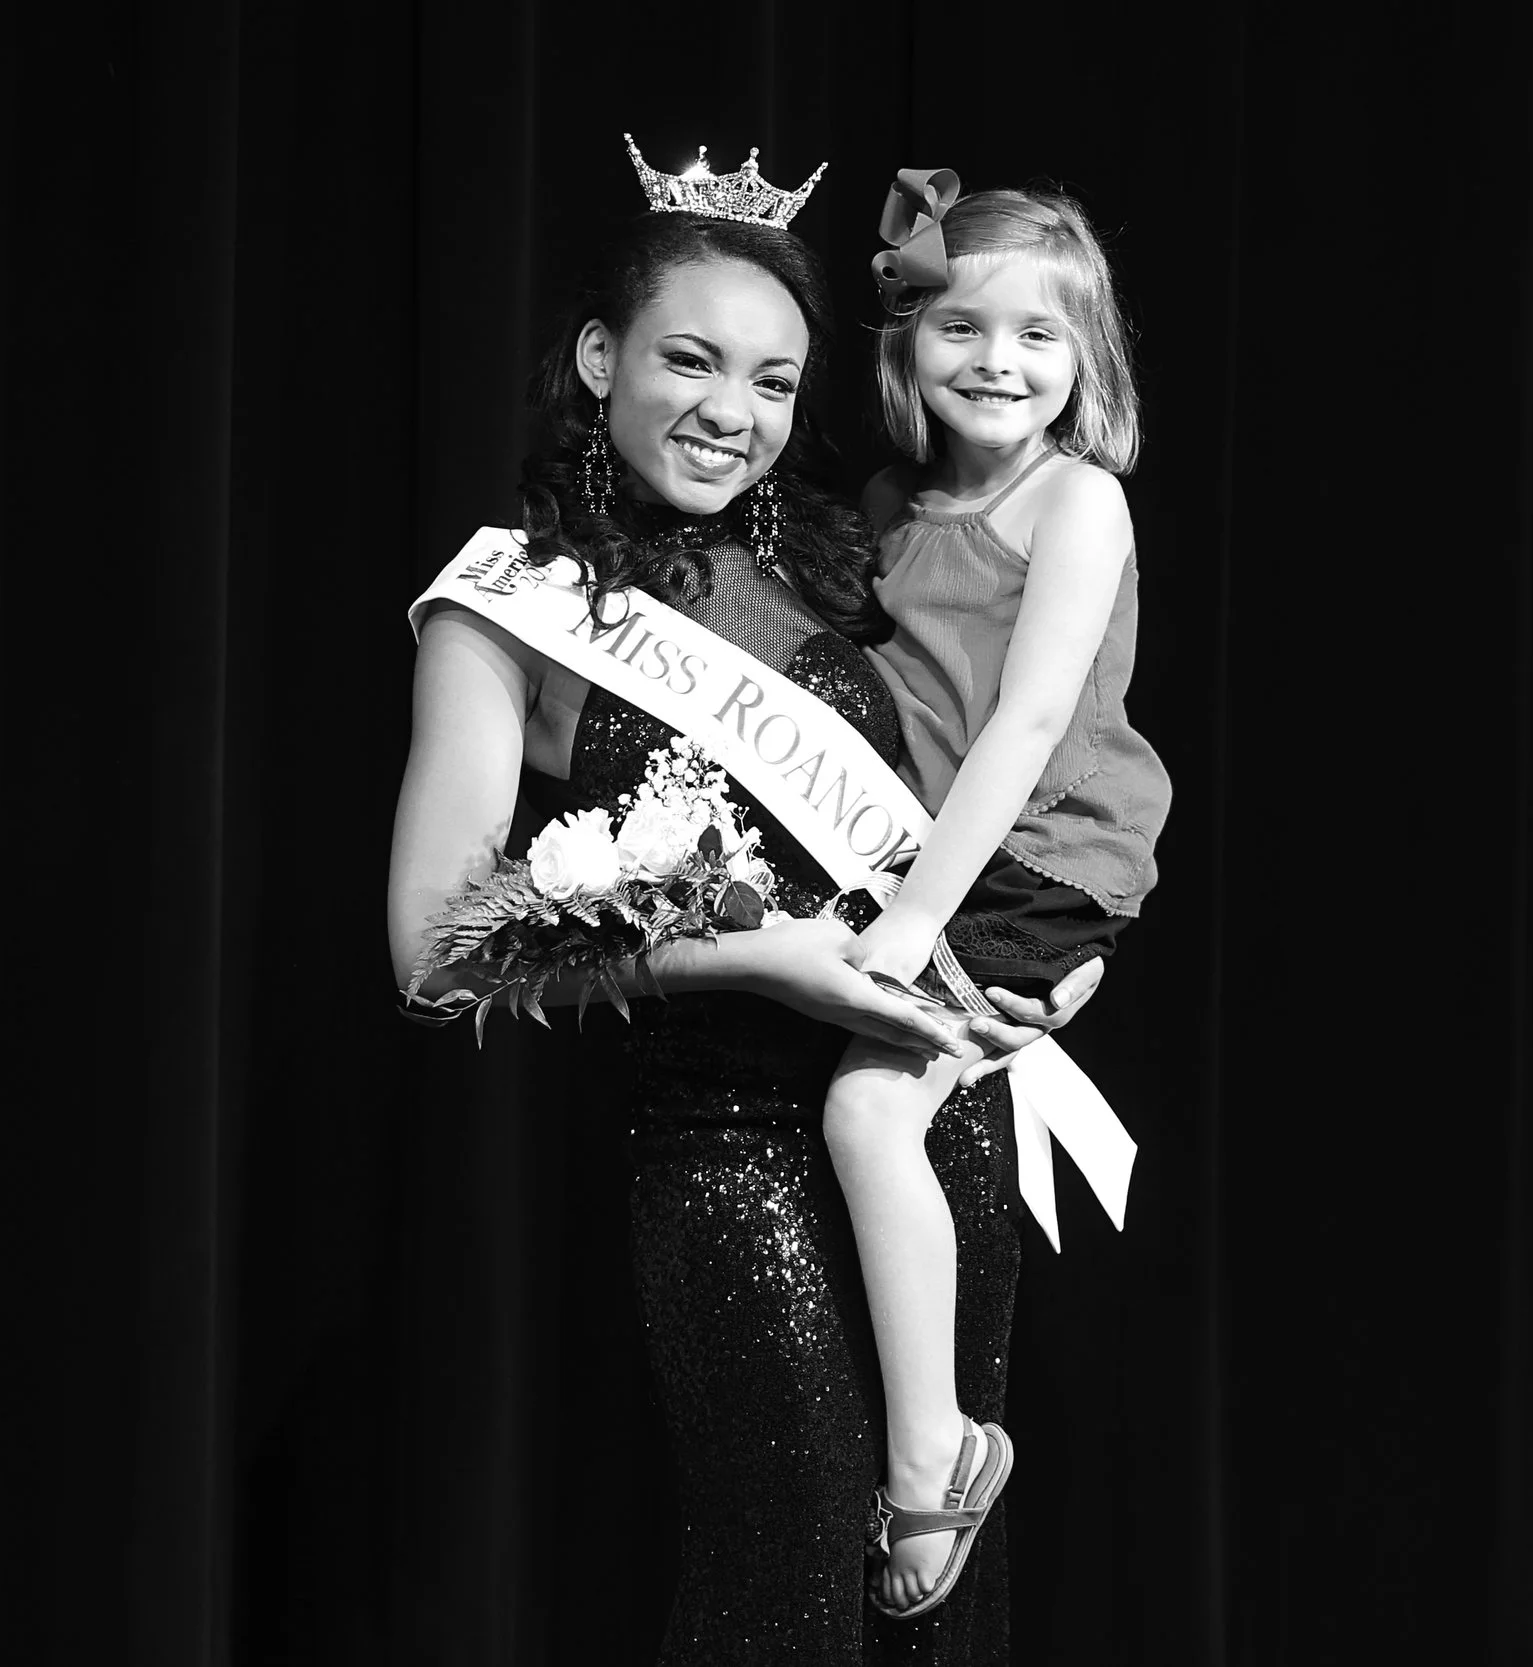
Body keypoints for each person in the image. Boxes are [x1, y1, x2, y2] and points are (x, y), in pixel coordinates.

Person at [387, 139, 1103, 1664]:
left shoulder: (844, 561)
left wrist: (1060, 958)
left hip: (925, 1103)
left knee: (926, 1589)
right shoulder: (506, 611)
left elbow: (1018, 769)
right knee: (785, 1548)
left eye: (775, 383)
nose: (735, 413)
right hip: (724, 1148)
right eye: (692, 362)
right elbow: (433, 949)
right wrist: (769, 957)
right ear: (600, 357)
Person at [819, 176, 1170, 1617]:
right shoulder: (889, 506)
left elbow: (1025, 729)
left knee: (864, 1104)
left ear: (1089, 362)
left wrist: (910, 920)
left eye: (1041, 333)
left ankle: (937, 1451)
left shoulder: (1073, 499)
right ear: (906, 343)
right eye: (962, 324)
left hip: (1038, 852)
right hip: (920, 846)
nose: (998, 360)